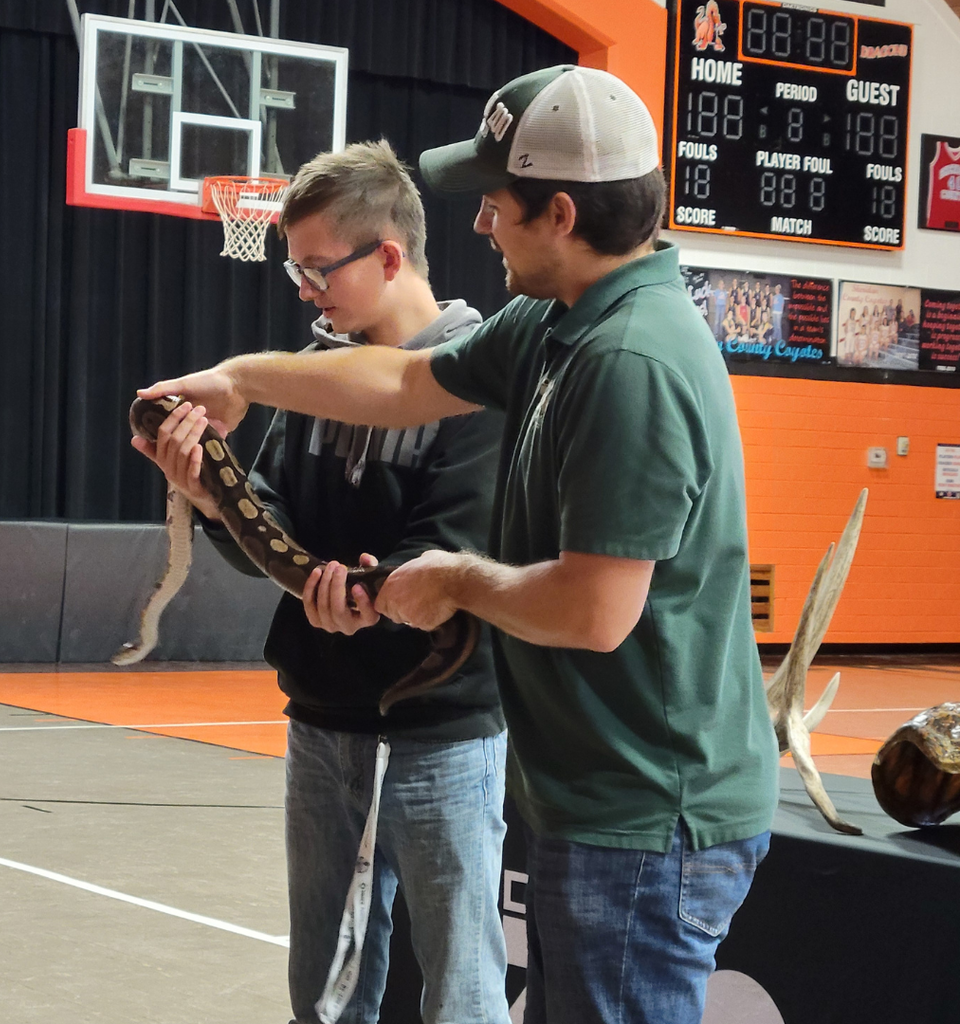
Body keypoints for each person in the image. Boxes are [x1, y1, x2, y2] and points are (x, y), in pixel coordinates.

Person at [141, 65, 779, 1024]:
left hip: (646, 812)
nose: (480, 224)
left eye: (495, 200)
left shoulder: (630, 360)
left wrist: (454, 581)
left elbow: (596, 612)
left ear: (559, 213)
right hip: (592, 797)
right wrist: (239, 381)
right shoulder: (556, 323)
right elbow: (402, 385)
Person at [134, 140, 510, 1024]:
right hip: (320, 724)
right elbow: (274, 522)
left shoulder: (480, 373)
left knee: (461, 990)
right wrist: (213, 499)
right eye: (294, 270)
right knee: (325, 994)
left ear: (387, 255)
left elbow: (449, 554)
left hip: (443, 734)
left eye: (316, 269)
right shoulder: (315, 369)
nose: (304, 291)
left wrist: (368, 601)